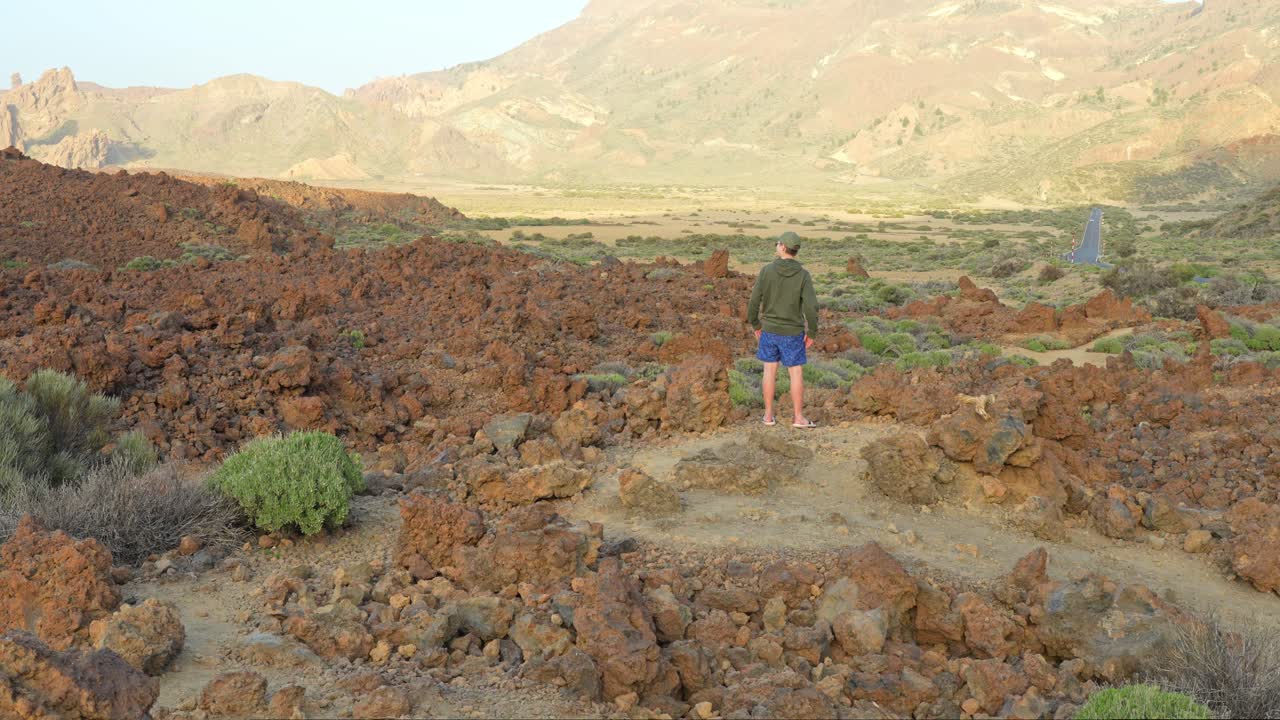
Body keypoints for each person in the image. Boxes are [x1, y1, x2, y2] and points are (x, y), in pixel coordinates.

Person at [747, 231, 819, 428]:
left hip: (768, 330)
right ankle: (798, 418)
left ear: (783, 247)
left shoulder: (767, 271)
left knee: (769, 371)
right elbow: (811, 307)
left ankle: (768, 416)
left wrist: (755, 324)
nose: (776, 245)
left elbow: (754, 300)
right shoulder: (803, 275)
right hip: (793, 333)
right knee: (795, 373)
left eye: (778, 243)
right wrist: (812, 331)